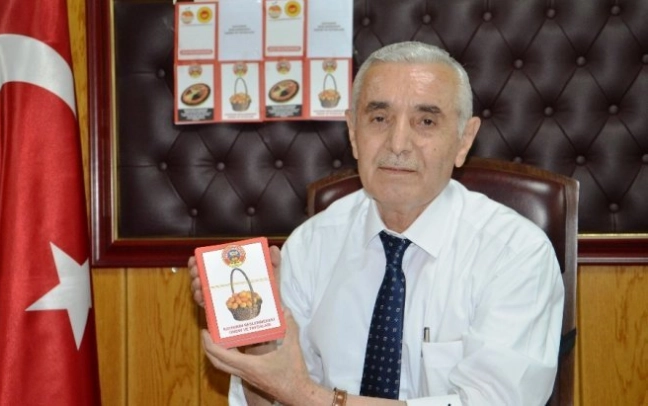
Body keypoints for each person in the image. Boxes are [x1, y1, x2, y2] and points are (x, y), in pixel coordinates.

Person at [189, 41, 564, 406]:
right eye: (379, 119)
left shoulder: (516, 253)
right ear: (353, 132)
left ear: (464, 140)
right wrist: (259, 335)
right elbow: (272, 397)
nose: (398, 144)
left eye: (426, 121)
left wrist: (305, 396)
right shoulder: (311, 244)